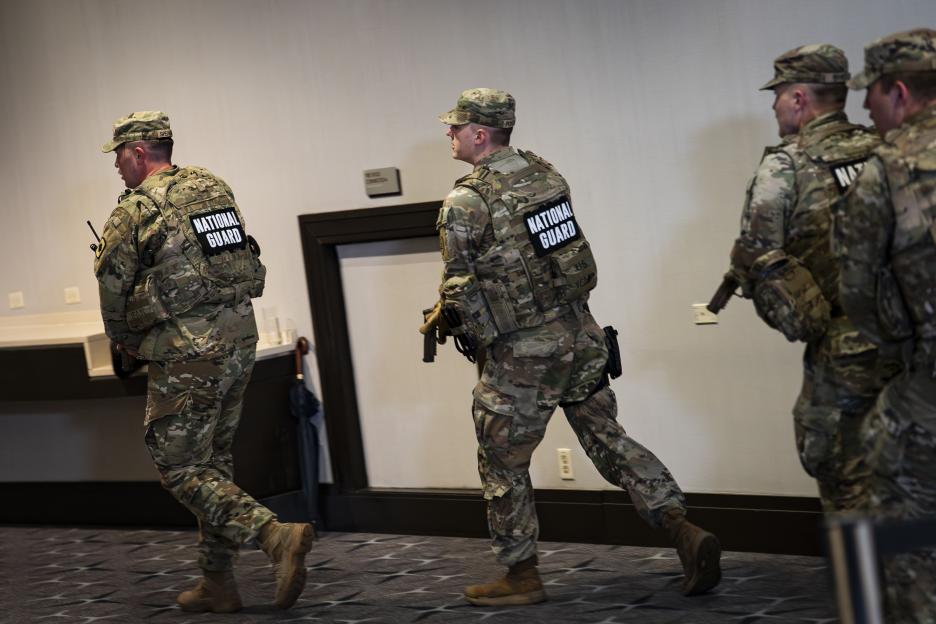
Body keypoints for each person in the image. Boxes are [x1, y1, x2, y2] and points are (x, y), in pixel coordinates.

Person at [427, 88, 721, 606]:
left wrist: (451, 325)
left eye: (456, 127)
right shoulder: (546, 177)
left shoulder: (465, 200)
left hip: (522, 357)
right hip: (580, 337)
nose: (448, 135)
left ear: (480, 133)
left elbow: (460, 288)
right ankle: (682, 529)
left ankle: (521, 576)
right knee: (609, 439)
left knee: (502, 463)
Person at [93, 111, 314, 613]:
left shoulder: (134, 210)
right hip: (238, 340)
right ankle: (218, 582)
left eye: (120, 158)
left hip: (187, 350)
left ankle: (274, 536)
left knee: (179, 467)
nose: (118, 168)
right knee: (213, 463)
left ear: (139, 153)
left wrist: (124, 338)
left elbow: (111, 284)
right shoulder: (212, 189)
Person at [723, 45, 900, 513]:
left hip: (842, 348)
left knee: (844, 478)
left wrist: (804, 320)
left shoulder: (785, 166)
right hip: (910, 340)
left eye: (777, 95)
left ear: (799, 98)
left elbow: (759, 255)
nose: (774, 105)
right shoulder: (888, 148)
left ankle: (864, 585)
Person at [835, 28, 936, 623]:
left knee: (898, 520)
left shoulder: (888, 170)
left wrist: (904, 348)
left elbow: (861, 293)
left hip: (926, 388)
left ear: (898, 92)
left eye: (869, 93)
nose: (863, 106)